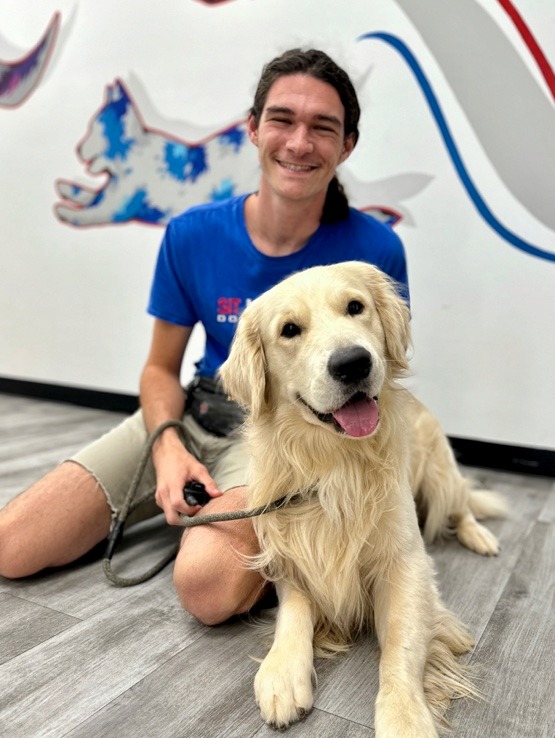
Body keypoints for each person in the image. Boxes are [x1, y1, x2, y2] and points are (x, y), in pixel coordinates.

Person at [0, 48, 408, 624]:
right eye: (282, 120)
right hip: (192, 414)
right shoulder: (191, 235)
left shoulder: (376, 251)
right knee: (12, 547)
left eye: (323, 127)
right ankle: (190, 507)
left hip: (275, 433)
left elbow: (384, 375)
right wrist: (167, 448)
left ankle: (251, 538)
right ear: (253, 129)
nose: (298, 142)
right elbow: (159, 369)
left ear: (347, 146)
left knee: (208, 592)